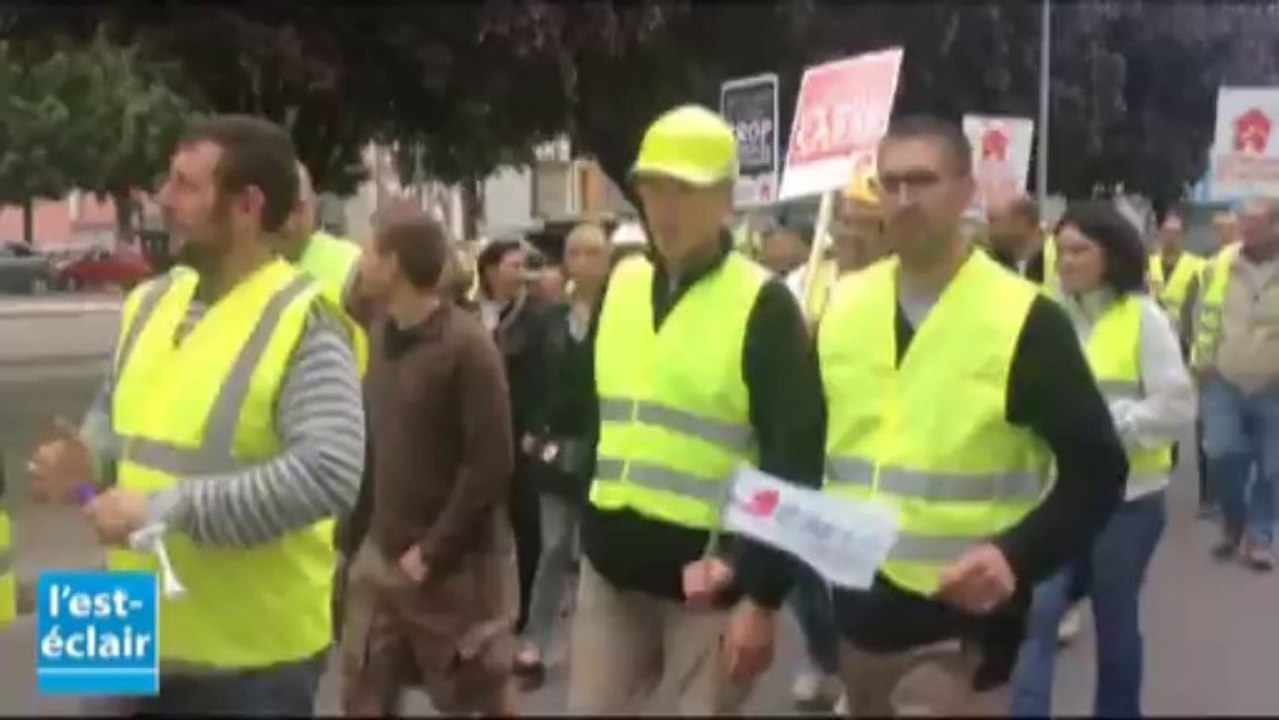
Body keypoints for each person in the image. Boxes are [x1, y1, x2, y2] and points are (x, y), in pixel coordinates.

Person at [28, 114, 366, 715]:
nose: (163, 198)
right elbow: (115, 430)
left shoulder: (305, 323)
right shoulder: (148, 302)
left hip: (247, 654)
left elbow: (329, 474)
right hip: (120, 616)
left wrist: (164, 509)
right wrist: (83, 462)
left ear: (246, 205)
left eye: (185, 184)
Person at [817, 116, 1127, 716]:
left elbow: (1098, 468)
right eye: (891, 183)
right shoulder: (845, 304)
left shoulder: (1025, 320)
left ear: (967, 193)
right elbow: (815, 446)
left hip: (963, 633)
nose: (905, 200)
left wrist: (1015, 556)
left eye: (923, 181)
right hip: (859, 621)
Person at [564, 105, 824, 714]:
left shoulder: (763, 305)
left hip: (710, 586)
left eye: (686, 190)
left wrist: (759, 593)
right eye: (654, 189)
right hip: (610, 573)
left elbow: (794, 457)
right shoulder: (621, 285)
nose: (666, 208)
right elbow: (595, 416)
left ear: (725, 200)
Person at [1009, 200, 1195, 717]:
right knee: (1037, 613)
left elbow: (1176, 405)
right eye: (1060, 251)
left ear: (1110, 256)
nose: (1066, 262)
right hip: (1055, 498)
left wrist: (1110, 426)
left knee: (1115, 621)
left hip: (1128, 501)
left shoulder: (1144, 319)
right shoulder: (1044, 318)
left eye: (1079, 251)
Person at [339, 212, 519, 716]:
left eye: (371, 252)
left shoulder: (467, 346)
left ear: (393, 265)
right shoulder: (379, 334)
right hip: (379, 554)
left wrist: (433, 551)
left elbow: (490, 462)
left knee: (478, 697)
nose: (362, 262)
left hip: (452, 567)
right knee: (362, 692)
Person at [512, 222, 612, 688]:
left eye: (594, 252)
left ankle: (596, 645)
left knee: (595, 553)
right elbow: (535, 380)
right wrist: (533, 429)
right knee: (554, 545)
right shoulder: (549, 320)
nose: (585, 261)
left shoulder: (622, 317)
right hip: (556, 449)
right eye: (576, 252)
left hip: (607, 449)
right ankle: (537, 639)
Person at [1193, 196, 1279, 572]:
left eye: (1256, 223)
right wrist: (1202, 362)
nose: (1246, 230)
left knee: (1273, 468)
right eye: (1245, 222)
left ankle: (1260, 538)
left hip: (1275, 388)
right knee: (1224, 456)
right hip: (1223, 382)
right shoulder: (1220, 266)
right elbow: (1201, 315)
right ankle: (1233, 522)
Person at [475, 238, 554, 634]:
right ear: (489, 270)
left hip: (519, 436)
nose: (520, 272)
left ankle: (527, 610)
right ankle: (477, 607)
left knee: (527, 527)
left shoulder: (536, 319)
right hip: (475, 438)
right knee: (475, 526)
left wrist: (536, 429)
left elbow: (544, 379)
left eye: (524, 265)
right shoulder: (469, 314)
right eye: (512, 264)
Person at [786, 167, 889, 326]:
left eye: (864, 224)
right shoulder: (803, 281)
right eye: (847, 222)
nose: (852, 233)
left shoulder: (902, 286)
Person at [279, 162, 364, 310]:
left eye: (299, 208)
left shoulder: (351, 264)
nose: (290, 222)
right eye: (283, 208)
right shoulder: (244, 263)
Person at [987, 194, 1052, 285]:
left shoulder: (1057, 262)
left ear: (1022, 221)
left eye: (992, 220)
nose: (987, 228)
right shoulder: (992, 263)